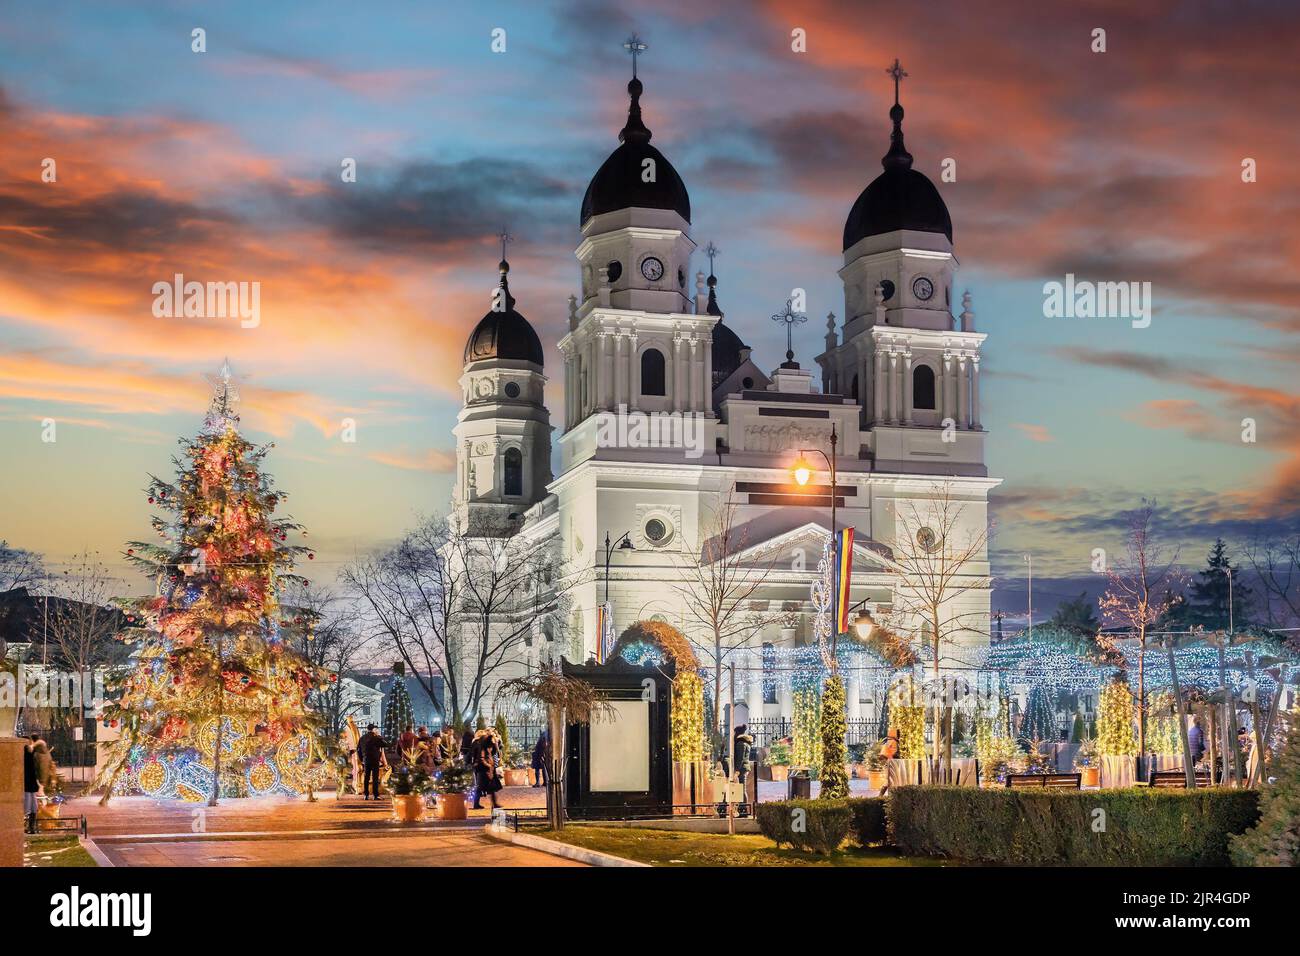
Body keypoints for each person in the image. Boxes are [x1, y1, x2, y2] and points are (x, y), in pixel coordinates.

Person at [472, 730, 502, 811]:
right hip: (483, 771)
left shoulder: (487, 748)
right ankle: (476, 804)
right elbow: (481, 759)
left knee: (491, 788)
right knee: (480, 788)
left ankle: (494, 804)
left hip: (487, 770)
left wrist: (495, 743)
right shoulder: (482, 748)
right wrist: (489, 765)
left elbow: (495, 751)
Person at [357, 724, 388, 800]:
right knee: (375, 778)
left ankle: (366, 795)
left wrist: (362, 759)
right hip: (375, 760)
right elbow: (385, 744)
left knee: (366, 777)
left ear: (367, 729)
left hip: (366, 760)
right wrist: (380, 737)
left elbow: (358, 750)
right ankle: (375, 795)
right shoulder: (376, 738)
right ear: (373, 729)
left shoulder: (362, 738)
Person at [23, 739, 39, 834]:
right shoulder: (31, 756)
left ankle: (30, 827)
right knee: (31, 807)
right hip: (30, 786)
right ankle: (30, 827)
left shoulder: (26, 756)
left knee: (30, 808)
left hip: (28, 786)